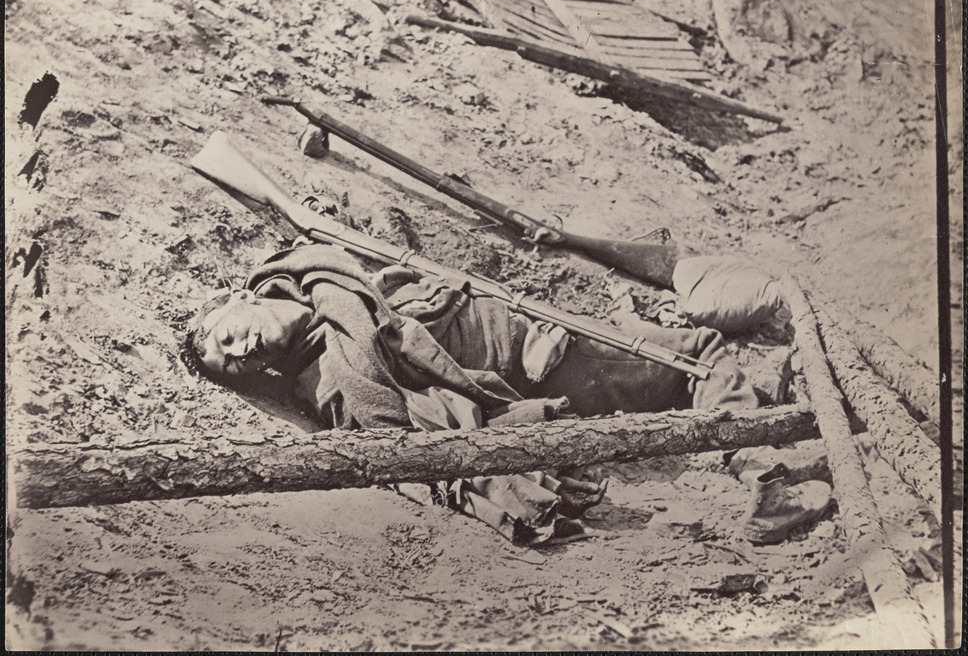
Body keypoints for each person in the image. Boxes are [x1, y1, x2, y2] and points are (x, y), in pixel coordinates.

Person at [188, 243, 831, 545]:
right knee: (686, 362)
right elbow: (383, 427)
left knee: (686, 357)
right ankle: (767, 467)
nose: (241, 351)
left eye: (227, 336)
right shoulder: (323, 376)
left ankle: (773, 419)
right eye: (230, 364)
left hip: (530, 331)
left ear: (242, 300)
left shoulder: (319, 270)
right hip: (531, 371)